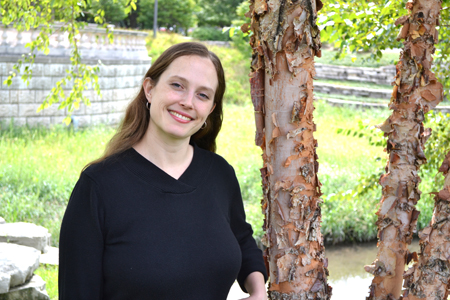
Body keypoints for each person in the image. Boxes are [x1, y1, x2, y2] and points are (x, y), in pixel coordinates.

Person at [58, 42, 268, 300]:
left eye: (203, 95)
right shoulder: (98, 186)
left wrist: (258, 290)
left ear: (210, 109)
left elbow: (242, 239)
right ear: (149, 88)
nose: (188, 102)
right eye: (177, 85)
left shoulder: (220, 174)